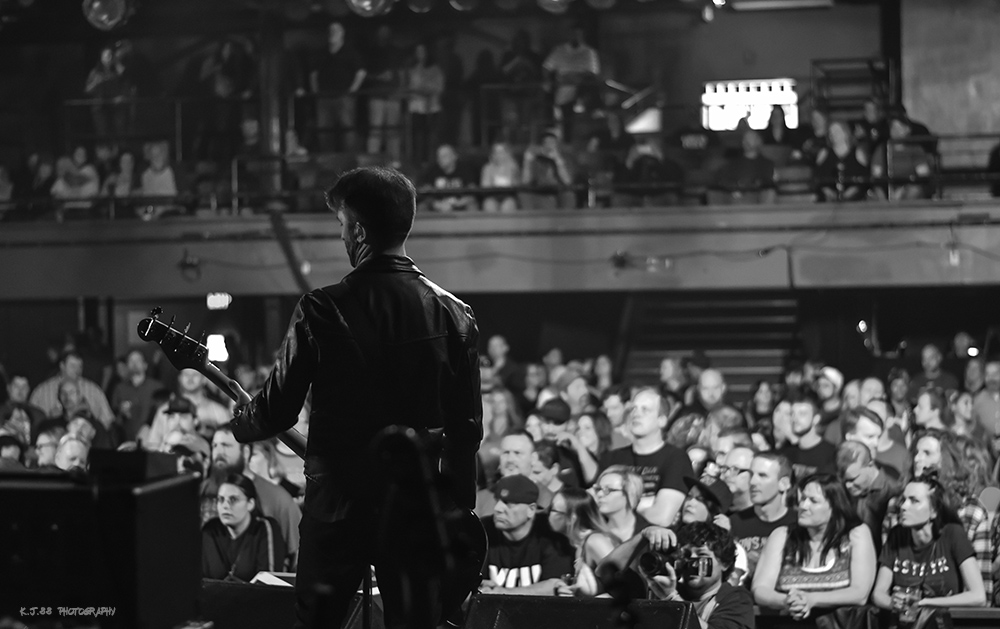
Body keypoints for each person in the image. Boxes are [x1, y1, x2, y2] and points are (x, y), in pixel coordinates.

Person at [229, 166, 482, 629]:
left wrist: (240, 420)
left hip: (339, 505)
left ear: (360, 231)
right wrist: (454, 512)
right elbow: (466, 431)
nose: (343, 236)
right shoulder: (455, 314)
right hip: (414, 508)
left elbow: (275, 411)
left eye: (342, 226)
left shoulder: (321, 309)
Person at [752, 474, 876, 620]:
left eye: (813, 501)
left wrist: (811, 599)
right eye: (803, 498)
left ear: (834, 507)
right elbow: (760, 589)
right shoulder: (782, 535)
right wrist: (787, 601)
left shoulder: (856, 534)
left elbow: (860, 593)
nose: (803, 506)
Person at [872, 474, 986, 616]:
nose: (903, 506)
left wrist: (924, 603)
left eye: (914, 501)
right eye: (903, 500)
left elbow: (978, 596)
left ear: (934, 511)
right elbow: (878, 593)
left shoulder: (952, 534)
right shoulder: (896, 535)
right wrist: (892, 602)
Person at [598, 387, 693, 527]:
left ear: (662, 420)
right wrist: (647, 504)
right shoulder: (611, 458)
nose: (636, 414)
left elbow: (661, 517)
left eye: (645, 410)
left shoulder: (676, 458)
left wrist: (617, 510)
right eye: (633, 409)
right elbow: (596, 511)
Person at [480, 474, 574, 595]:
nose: (498, 508)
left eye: (509, 503)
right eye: (497, 500)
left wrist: (502, 593)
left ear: (531, 509)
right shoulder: (483, 530)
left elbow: (556, 586)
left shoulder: (550, 535)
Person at [202, 473, 286, 582]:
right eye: (221, 499)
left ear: (250, 504)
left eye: (233, 500)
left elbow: (270, 584)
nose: (225, 506)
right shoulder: (209, 531)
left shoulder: (264, 528)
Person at [730, 452, 797, 580]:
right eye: (751, 474)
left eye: (762, 475)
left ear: (784, 483)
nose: (753, 482)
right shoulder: (735, 522)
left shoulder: (798, 523)